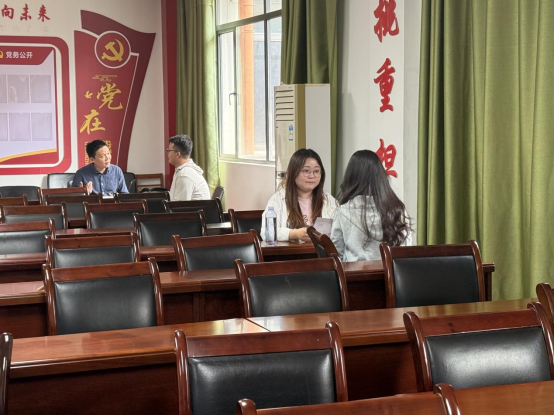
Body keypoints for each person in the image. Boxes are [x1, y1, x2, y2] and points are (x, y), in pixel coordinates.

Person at [330, 150, 412, 261]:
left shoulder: (344, 211)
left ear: (351, 176)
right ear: (381, 177)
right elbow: (406, 248)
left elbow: (335, 253)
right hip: (391, 271)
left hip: (354, 272)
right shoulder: (398, 208)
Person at [262, 148, 337, 242]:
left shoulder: (328, 199)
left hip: (320, 251)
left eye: (316, 171)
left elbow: (340, 230)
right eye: (306, 170)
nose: (312, 176)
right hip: (290, 251)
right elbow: (267, 233)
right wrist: (295, 234)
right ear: (293, 172)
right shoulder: (277, 199)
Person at [167, 134, 211, 201]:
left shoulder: (184, 175)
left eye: (169, 150)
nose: (167, 154)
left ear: (177, 154)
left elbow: (179, 205)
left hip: (193, 208)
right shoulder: (183, 170)